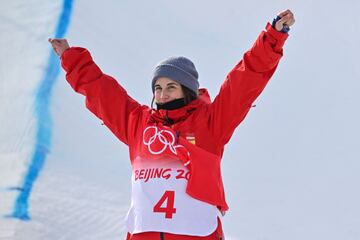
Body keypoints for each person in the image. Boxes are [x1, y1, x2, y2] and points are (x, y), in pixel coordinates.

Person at [49, 9, 295, 240]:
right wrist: (70, 58)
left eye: (170, 87)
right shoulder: (138, 124)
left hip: (197, 232)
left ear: (186, 90)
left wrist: (273, 37)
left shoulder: (210, 123)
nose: (162, 94)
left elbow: (244, 81)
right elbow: (101, 91)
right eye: (157, 88)